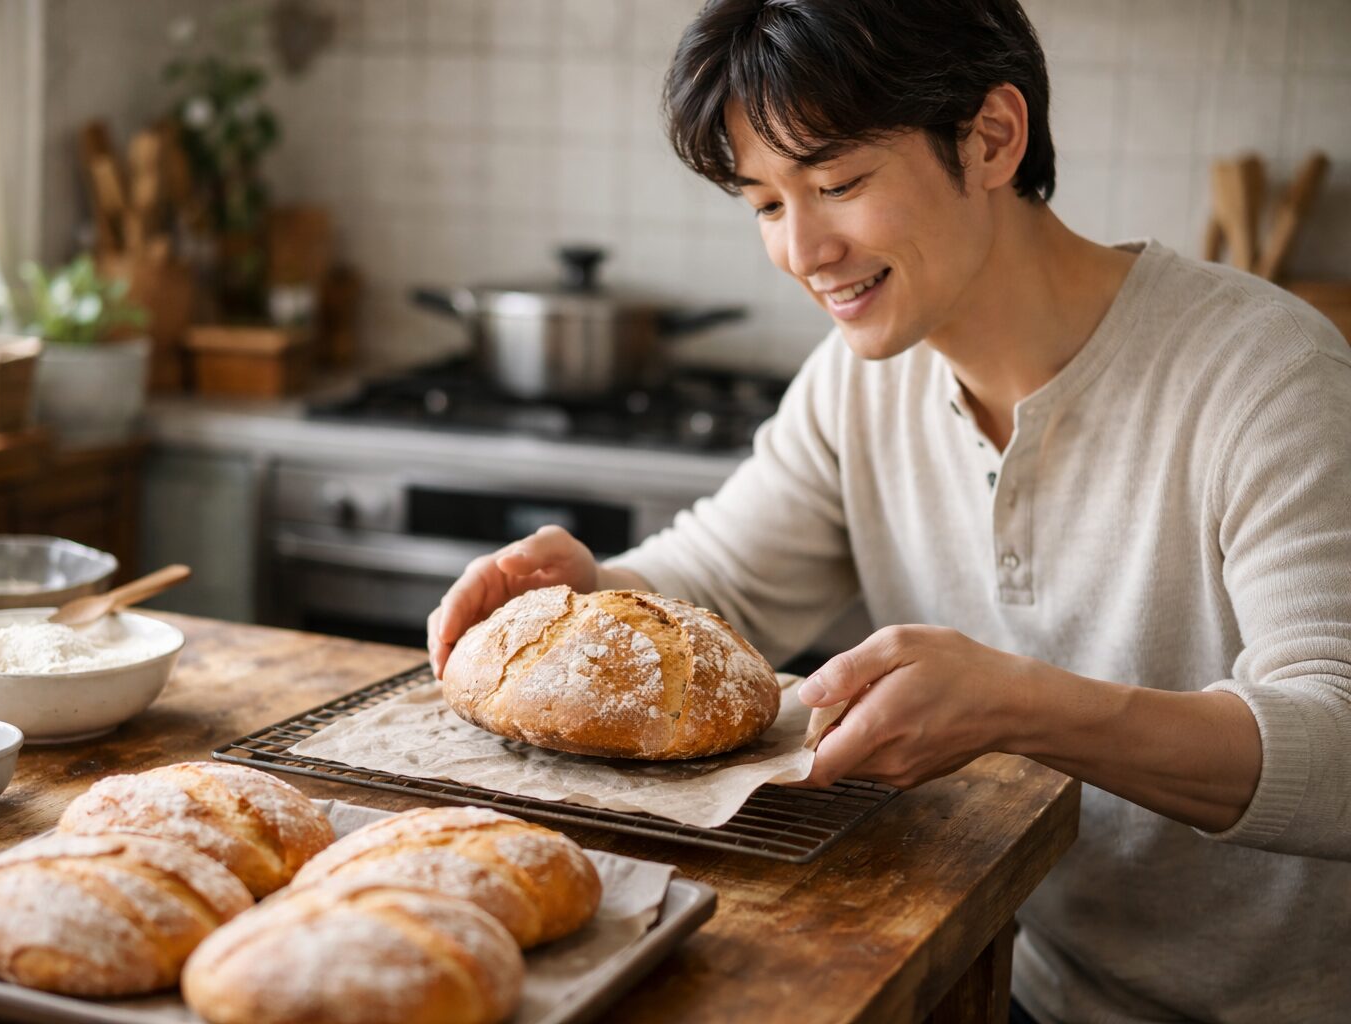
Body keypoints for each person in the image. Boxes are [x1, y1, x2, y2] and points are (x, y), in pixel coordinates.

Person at [426, 1, 1351, 1020]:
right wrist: (592, 593)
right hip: (1015, 972)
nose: (803, 249)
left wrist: (1024, 705)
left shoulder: (1266, 372)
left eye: (838, 184)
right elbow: (724, 578)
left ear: (993, 137)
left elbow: (1340, 745)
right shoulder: (861, 382)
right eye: (766, 204)